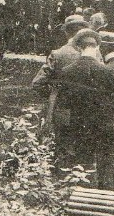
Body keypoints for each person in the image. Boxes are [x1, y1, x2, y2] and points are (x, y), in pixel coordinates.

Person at [54, 29, 114, 189]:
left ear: (78, 48)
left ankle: (82, 194)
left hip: (79, 123)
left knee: (82, 162)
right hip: (104, 122)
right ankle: (106, 194)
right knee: (105, 160)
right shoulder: (105, 70)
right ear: (97, 47)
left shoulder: (67, 72)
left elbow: (63, 101)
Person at [32, 14, 90, 169]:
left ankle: (62, 182)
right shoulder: (95, 56)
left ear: (66, 32)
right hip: (89, 109)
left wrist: (54, 95)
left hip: (64, 109)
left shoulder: (58, 54)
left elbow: (38, 83)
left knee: (64, 149)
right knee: (85, 153)